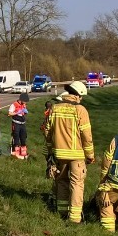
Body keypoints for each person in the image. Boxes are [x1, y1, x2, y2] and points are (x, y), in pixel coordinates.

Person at [43, 80, 95, 224]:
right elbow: (86, 136)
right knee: (76, 184)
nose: (81, 99)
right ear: (77, 95)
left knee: (62, 182)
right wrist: (90, 155)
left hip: (59, 154)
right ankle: (74, 218)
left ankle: (62, 212)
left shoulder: (55, 108)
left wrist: (50, 150)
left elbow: (47, 131)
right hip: (76, 155)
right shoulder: (80, 110)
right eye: (81, 96)